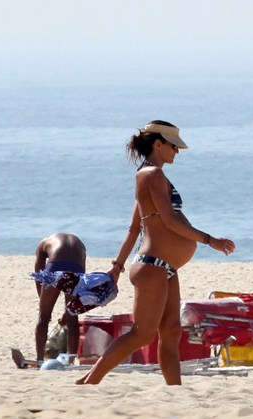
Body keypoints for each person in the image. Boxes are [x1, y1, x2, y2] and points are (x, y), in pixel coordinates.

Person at [76, 120, 235, 385]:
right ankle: (90, 382)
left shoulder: (150, 175)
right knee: (141, 334)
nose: (178, 151)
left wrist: (116, 267)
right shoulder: (151, 175)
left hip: (166, 267)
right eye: (174, 146)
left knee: (171, 332)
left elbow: (133, 228)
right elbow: (170, 221)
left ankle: (175, 391)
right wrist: (209, 240)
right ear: (158, 144)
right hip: (153, 265)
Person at [34, 233, 87, 362]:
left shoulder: (43, 243)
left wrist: (43, 301)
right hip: (76, 268)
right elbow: (82, 273)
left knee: (43, 317)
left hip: (55, 265)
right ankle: (70, 360)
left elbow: (38, 275)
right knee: (72, 318)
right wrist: (67, 312)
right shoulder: (80, 244)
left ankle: (40, 360)